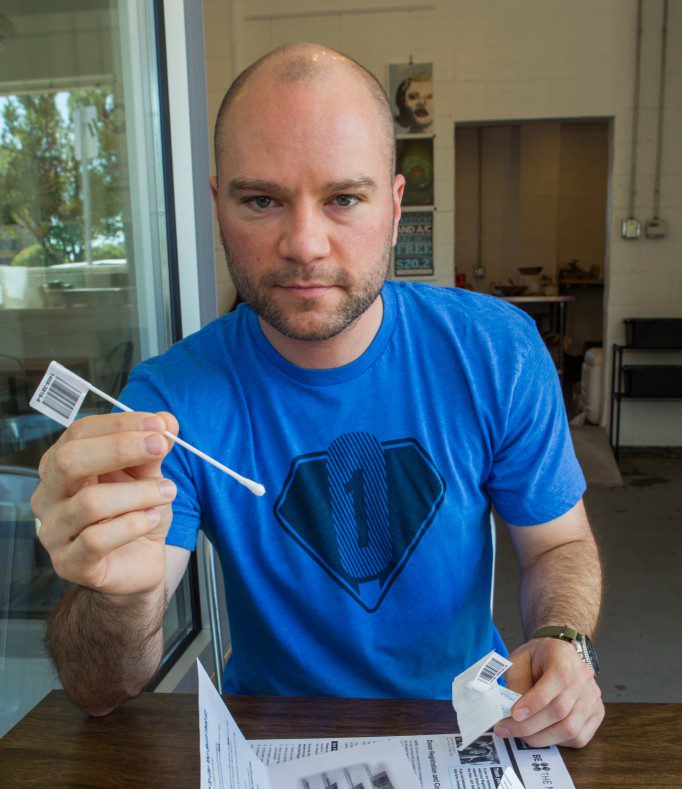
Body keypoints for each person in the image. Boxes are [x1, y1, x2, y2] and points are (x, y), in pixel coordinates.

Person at [32, 43, 604, 749]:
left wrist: (562, 637)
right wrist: (117, 594)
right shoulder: (168, 404)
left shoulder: (495, 352)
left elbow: (559, 545)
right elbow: (100, 689)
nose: (304, 243)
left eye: (343, 198)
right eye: (262, 200)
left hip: (471, 725)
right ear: (219, 207)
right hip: (273, 746)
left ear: (394, 207)